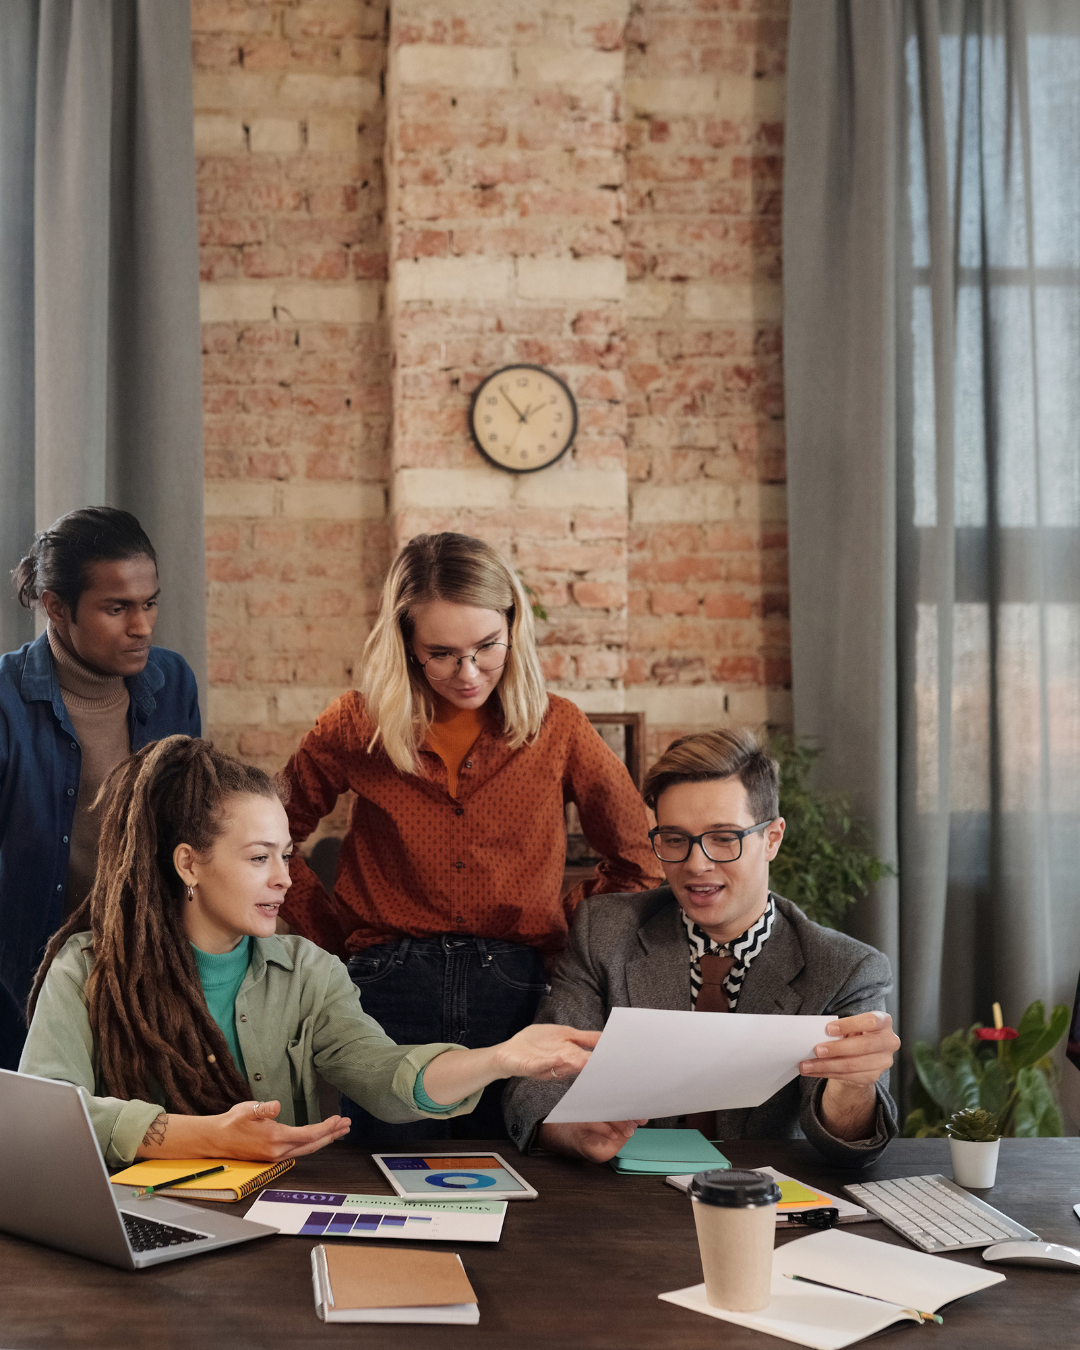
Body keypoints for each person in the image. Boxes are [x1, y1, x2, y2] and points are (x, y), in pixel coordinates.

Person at [19, 737, 598, 1168]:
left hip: (274, 1227)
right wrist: (203, 1136)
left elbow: (386, 1076)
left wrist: (501, 1058)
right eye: (258, 857)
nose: (285, 879)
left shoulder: (309, 971)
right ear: (189, 862)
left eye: (286, 855)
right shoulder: (88, 969)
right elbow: (44, 1118)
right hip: (137, 1227)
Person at [279, 532, 662, 1140]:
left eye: (487, 646)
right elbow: (275, 839)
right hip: (385, 987)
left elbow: (641, 860)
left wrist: (559, 921)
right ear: (406, 643)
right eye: (442, 653)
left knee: (513, 1175)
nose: (468, 672)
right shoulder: (356, 725)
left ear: (514, 624)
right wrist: (332, 942)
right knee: (385, 1177)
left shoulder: (557, 727)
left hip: (514, 990)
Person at [503, 728, 902, 1167]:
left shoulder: (846, 967)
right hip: (625, 1201)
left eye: (724, 838)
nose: (696, 864)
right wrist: (569, 1131)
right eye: (674, 839)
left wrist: (855, 1085)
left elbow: (847, 1145)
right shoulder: (605, 931)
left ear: (771, 839)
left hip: (764, 1204)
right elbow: (535, 1082)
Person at [0, 507, 200, 1070]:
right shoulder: (5, 699)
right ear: (57, 607)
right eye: (117, 608)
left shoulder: (173, 681)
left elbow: (190, 822)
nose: (142, 626)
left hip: (146, 972)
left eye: (150, 603)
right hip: (23, 982)